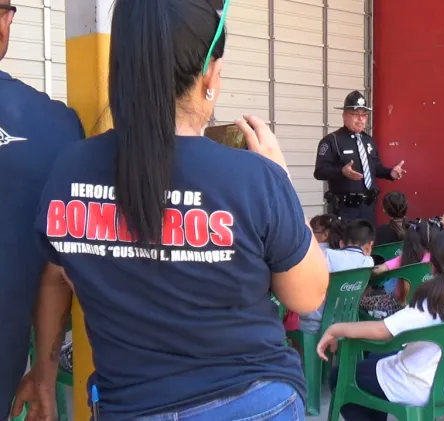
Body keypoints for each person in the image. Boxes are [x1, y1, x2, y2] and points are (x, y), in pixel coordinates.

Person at [18, 1, 329, 420]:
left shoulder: (70, 171)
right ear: (209, 75)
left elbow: (54, 277)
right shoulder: (254, 177)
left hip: (129, 407)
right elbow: (307, 295)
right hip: (253, 402)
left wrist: (43, 373)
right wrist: (281, 178)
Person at [0, 1, 86, 419]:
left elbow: (56, 268)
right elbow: (57, 269)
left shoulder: (58, 127)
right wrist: (45, 375)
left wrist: (44, 372)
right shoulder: (59, 127)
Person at [319, 230, 444, 421]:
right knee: (376, 358)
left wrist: (336, 328)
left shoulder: (434, 302)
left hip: (416, 385)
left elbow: (381, 330)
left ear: (432, 267)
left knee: (340, 376)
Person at [314, 91, 406, 225]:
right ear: (344, 116)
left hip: (368, 208)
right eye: (356, 114)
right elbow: (319, 171)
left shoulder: (368, 141)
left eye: (364, 115)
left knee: (368, 245)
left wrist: (390, 173)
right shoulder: (331, 141)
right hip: (344, 210)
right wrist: (341, 172)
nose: (360, 119)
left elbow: (375, 167)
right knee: (346, 245)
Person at [299, 220, 376, 334]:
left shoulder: (326, 255)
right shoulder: (368, 262)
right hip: (347, 325)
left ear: (341, 244)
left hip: (314, 326)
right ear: (370, 246)